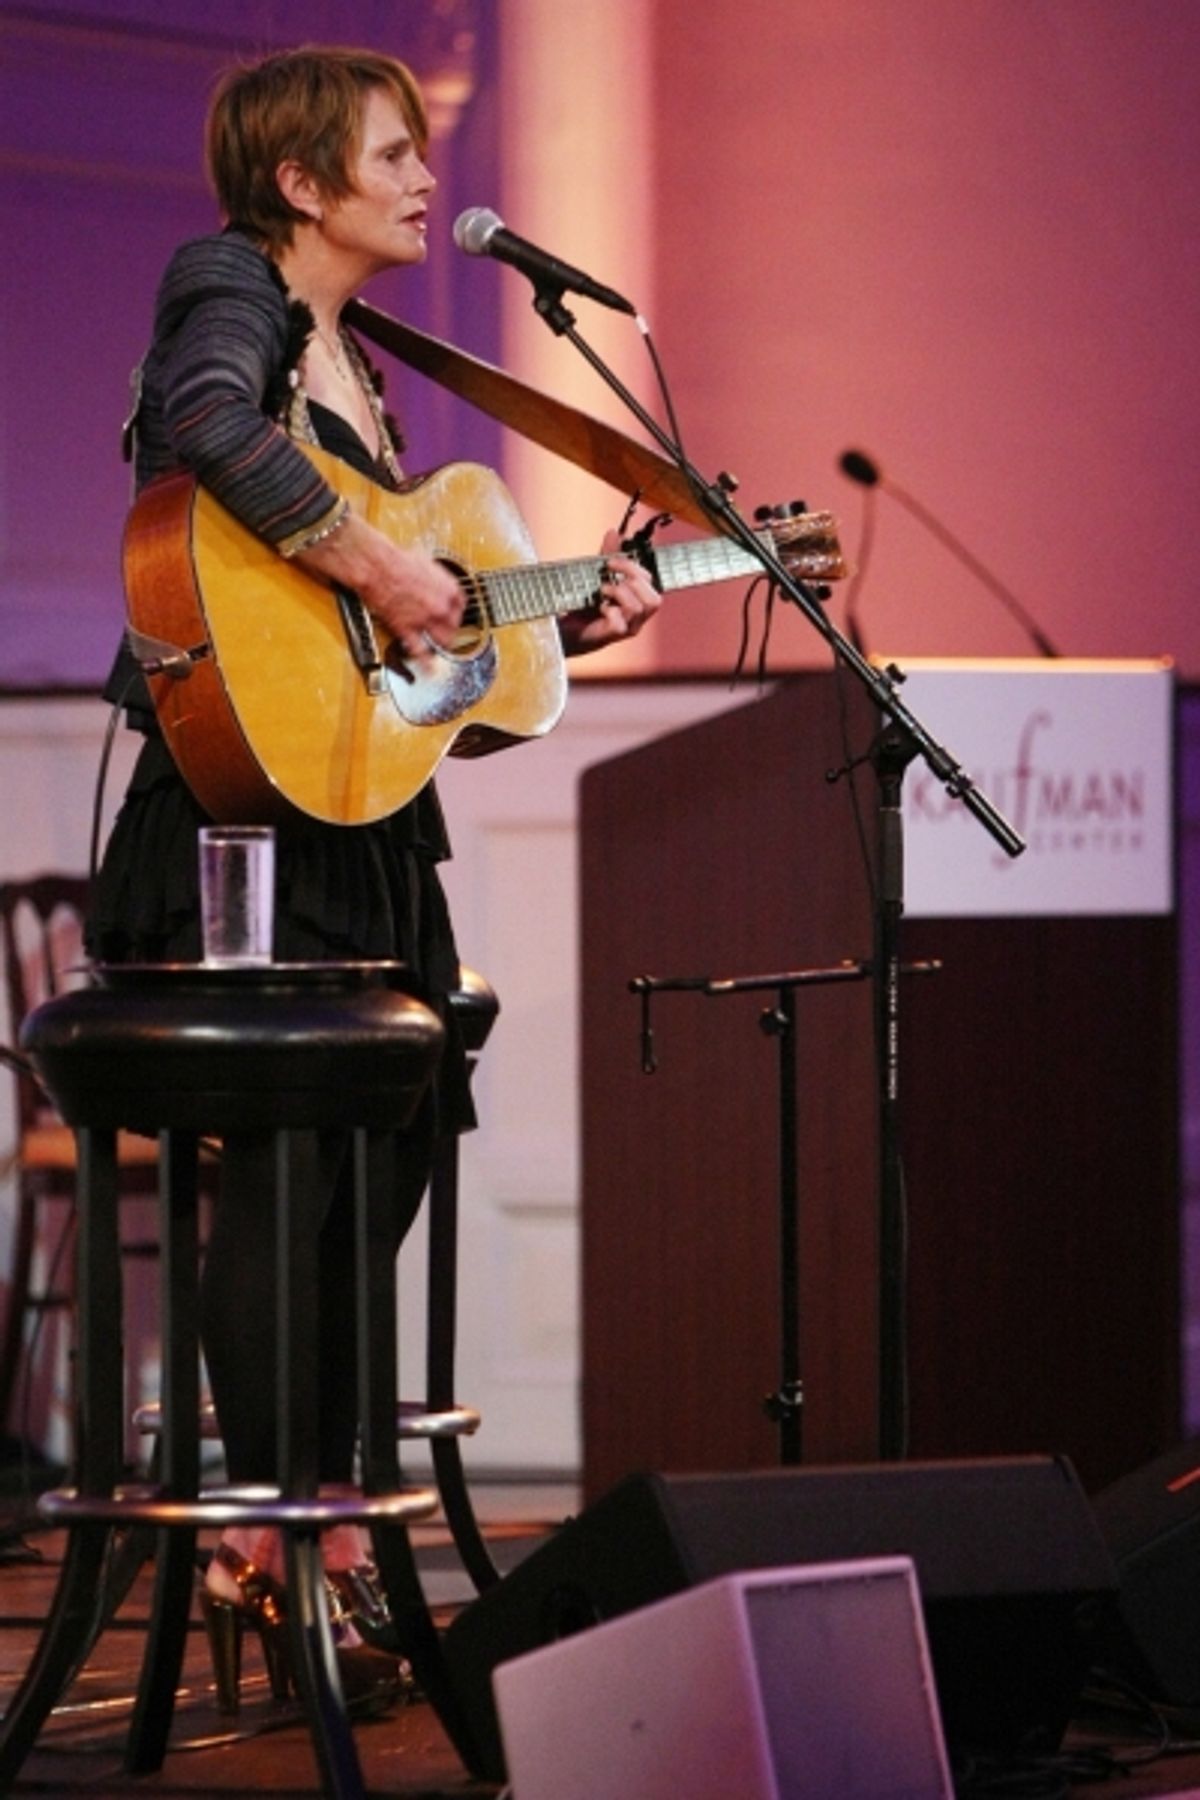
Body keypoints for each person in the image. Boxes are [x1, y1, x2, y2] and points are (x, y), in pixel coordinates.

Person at [87, 44, 661, 1714]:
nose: (425, 176)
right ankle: (282, 1542)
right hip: (233, 821)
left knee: (381, 1161)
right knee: (284, 1182)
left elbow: (407, 677)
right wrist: (377, 564)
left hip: (358, 828)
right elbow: (200, 428)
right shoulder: (228, 283)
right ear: (301, 181)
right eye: (395, 152)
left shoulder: (364, 367)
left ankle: (317, 1517)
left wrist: (558, 617)